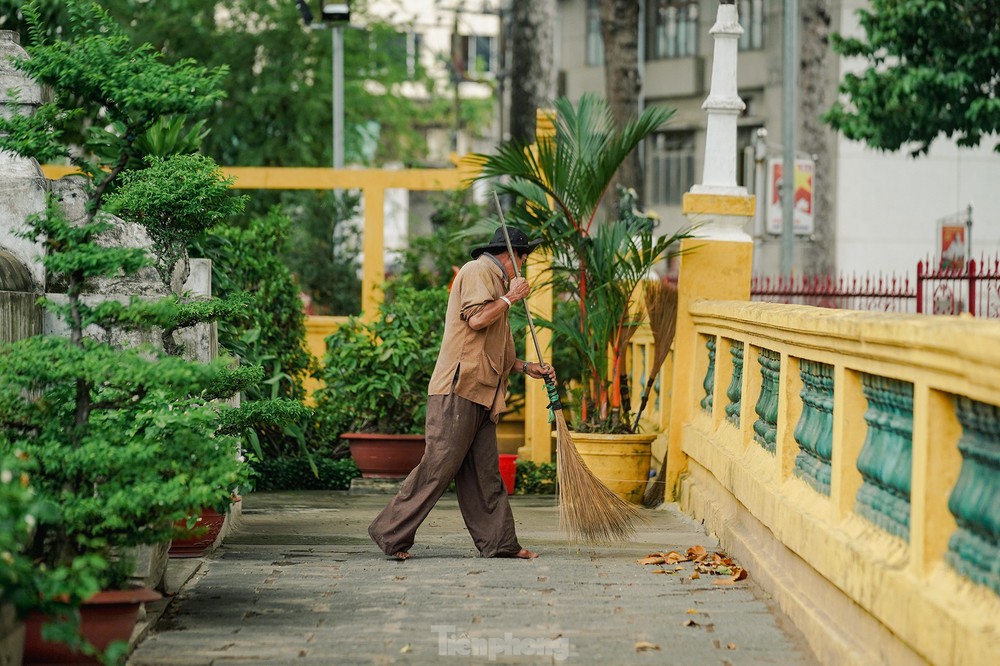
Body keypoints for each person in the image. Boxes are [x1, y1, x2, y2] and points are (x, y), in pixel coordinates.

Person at [368, 227, 556, 560]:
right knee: (438, 467)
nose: (524, 266)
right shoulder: (477, 271)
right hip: (458, 390)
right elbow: (477, 320)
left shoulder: (499, 285)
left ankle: (499, 544)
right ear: (514, 255)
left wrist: (527, 368)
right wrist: (510, 297)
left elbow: (498, 349)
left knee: (485, 474)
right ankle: (389, 533)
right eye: (524, 258)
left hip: (482, 392)